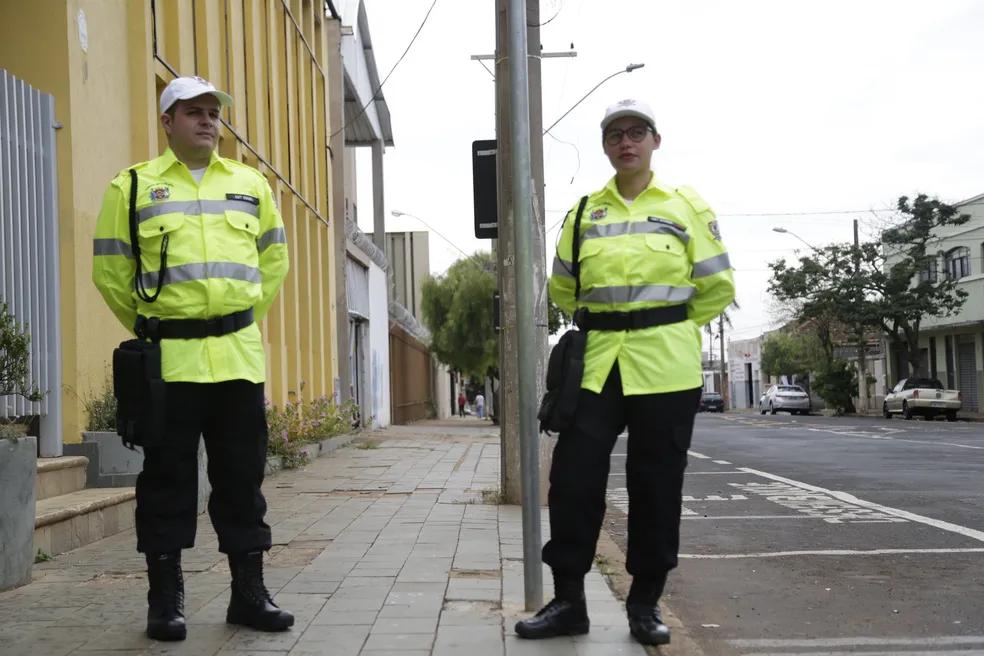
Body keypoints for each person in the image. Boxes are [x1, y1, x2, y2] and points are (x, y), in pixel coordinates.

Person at [515, 99, 735, 646]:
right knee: (571, 481)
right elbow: (564, 286)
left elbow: (717, 288)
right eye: (616, 135)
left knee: (656, 484)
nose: (626, 142)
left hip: (666, 366)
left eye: (637, 132)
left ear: (655, 141)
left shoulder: (685, 207)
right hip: (597, 366)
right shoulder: (586, 211)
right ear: (606, 146)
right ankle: (569, 602)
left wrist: (666, 324)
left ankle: (644, 604)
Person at [92, 76, 293, 642]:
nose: (208, 121)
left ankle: (249, 596)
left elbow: (273, 263)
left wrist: (239, 317)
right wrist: (149, 326)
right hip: (169, 364)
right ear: (167, 122)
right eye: (194, 112)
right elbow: (110, 270)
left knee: (242, 481)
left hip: (236, 360)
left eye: (213, 112)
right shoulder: (131, 188)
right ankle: (166, 601)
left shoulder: (251, 185)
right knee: (166, 481)